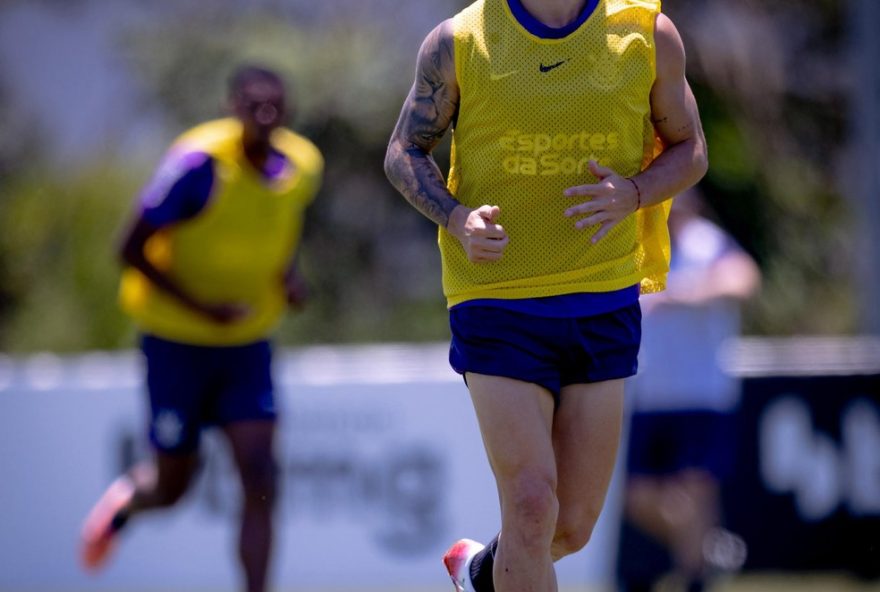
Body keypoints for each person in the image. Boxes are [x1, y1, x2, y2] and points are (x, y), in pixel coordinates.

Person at [384, 0, 708, 590]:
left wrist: (634, 193)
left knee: (571, 526)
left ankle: (480, 570)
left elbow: (691, 149)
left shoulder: (646, 31)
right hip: (496, 297)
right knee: (532, 505)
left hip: (603, 296)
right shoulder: (460, 40)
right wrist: (457, 220)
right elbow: (403, 151)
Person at [78, 64, 324, 592]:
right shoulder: (199, 165)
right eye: (253, 105)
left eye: (275, 106)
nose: (266, 115)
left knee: (260, 476)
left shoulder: (302, 166)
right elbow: (129, 248)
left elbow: (276, 228)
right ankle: (128, 502)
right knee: (173, 488)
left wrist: (287, 276)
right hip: (176, 344)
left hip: (245, 346)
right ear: (231, 108)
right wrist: (201, 309)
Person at [617, 189, 760, 592]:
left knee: (696, 486)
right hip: (649, 393)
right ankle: (705, 548)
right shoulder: (640, 247)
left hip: (701, 393)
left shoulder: (707, 243)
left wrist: (683, 293)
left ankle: (695, 575)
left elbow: (744, 280)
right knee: (638, 496)